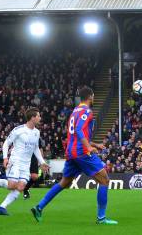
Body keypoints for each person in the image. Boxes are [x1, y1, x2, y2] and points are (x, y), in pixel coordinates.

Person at [31, 87, 117, 225]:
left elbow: (75, 133)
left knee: (65, 182)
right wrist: (88, 147)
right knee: (104, 180)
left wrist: (94, 144)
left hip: (71, 152)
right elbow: (78, 130)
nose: (94, 99)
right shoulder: (86, 111)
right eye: (93, 96)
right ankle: (101, 218)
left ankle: (39, 207)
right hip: (81, 152)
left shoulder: (75, 111)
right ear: (90, 96)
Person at [0, 108, 49, 215]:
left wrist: (42, 162)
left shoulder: (37, 132)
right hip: (15, 161)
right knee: (11, 185)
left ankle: (2, 207)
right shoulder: (18, 130)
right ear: (32, 118)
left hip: (26, 164)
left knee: (20, 187)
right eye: (38, 116)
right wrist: (5, 158)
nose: (40, 118)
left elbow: (36, 148)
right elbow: (6, 143)